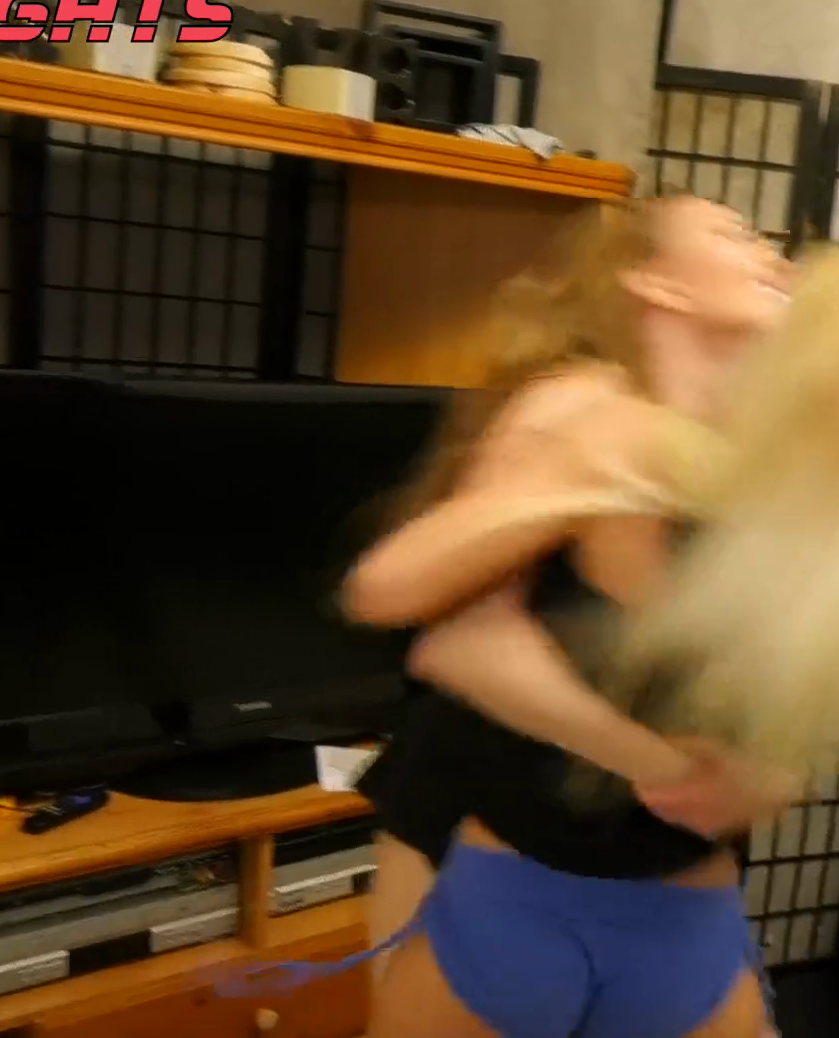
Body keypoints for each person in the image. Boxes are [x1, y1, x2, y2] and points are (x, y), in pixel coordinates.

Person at [342, 194, 804, 1038]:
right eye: (734, 234)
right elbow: (452, 637)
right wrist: (667, 768)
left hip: (667, 878)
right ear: (659, 284)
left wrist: (764, 772)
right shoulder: (582, 409)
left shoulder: (758, 453)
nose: (773, 255)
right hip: (494, 835)